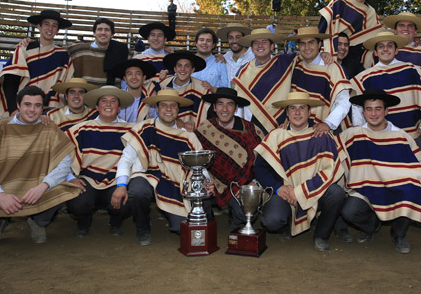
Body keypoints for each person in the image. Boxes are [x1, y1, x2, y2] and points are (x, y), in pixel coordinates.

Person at [0, 86, 81, 246]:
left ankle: (37, 222)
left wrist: (43, 186)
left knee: (64, 191)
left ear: (43, 108)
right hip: (3, 186)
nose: (32, 110)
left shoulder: (49, 128)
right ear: (18, 106)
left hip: (34, 185)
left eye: (37, 105)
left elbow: (63, 164)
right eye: (27, 104)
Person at [350, 30, 421, 238]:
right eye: (380, 47)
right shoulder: (365, 77)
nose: (385, 49)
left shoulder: (412, 71)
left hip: (411, 135)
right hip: (378, 138)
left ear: (396, 49)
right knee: (376, 179)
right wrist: (360, 132)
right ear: (375, 52)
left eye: (389, 46)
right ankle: (376, 219)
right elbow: (356, 107)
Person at [114, 89, 212, 245]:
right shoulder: (144, 128)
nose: (168, 109)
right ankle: (143, 228)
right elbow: (126, 159)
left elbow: (199, 166)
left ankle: (174, 215)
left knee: (181, 227)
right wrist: (121, 185)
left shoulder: (187, 135)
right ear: (157, 108)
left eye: (173, 105)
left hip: (175, 184)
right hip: (146, 176)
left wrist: (206, 181)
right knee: (138, 191)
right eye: (164, 105)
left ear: (178, 110)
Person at [253, 92, 345, 251]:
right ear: (286, 113)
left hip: (313, 191)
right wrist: (277, 188)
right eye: (292, 108)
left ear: (310, 112)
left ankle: (321, 235)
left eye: (302, 108)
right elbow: (259, 168)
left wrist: (301, 192)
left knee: (336, 193)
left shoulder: (321, 136)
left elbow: (330, 172)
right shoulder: (276, 136)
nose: (297, 112)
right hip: (284, 192)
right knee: (271, 221)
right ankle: (284, 226)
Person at [338, 89, 421, 253]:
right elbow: (331, 149)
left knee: (413, 189)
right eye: (369, 109)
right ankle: (371, 225)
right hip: (364, 189)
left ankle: (399, 234)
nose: (373, 114)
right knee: (349, 212)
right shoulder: (352, 135)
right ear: (363, 112)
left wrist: (407, 179)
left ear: (386, 111)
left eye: (378, 108)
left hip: (396, 188)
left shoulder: (401, 136)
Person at [382, 11, 421, 233]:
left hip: (416, 128)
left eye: (410, 26)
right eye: (401, 26)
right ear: (395, 31)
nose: (405, 29)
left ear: (416, 31)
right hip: (387, 129)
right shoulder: (379, 54)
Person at [65, 86, 135, 237]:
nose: (108, 104)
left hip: (116, 181)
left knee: (128, 199)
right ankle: (83, 222)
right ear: (97, 107)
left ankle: (116, 221)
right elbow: (63, 155)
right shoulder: (81, 129)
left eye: (113, 101)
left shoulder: (131, 131)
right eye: (104, 101)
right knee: (76, 201)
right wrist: (70, 178)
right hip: (88, 179)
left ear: (119, 107)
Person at [195, 88, 263, 230]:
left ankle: (237, 224)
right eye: (220, 104)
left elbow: (261, 163)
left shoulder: (251, 130)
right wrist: (205, 181)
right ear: (214, 107)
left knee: (245, 213)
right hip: (212, 184)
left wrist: (251, 183)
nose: (224, 109)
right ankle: (208, 225)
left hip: (242, 185)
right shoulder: (204, 129)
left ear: (236, 108)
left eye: (230, 104)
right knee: (196, 196)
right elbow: (197, 161)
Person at [0, 10, 75, 119]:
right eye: (46, 24)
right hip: (26, 107)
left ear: (57, 30)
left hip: (51, 111)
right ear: (39, 26)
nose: (50, 29)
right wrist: (13, 108)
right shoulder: (24, 49)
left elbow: (66, 84)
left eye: (54, 25)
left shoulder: (63, 55)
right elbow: (10, 81)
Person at [289, 26, 353, 135]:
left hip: (325, 129)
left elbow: (344, 101)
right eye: (302, 44)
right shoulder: (295, 65)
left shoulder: (333, 68)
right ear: (298, 46)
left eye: (311, 42)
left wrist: (328, 123)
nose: (307, 47)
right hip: (298, 127)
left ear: (319, 45)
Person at [232, 29, 294, 136]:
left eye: (264, 42)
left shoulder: (285, 63)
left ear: (272, 46)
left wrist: (323, 54)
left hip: (284, 121)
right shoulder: (243, 72)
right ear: (252, 48)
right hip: (255, 124)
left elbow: (308, 57)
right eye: (256, 43)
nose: (260, 45)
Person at [319, 0, 385, 64]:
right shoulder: (339, 3)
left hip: (352, 58)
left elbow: (374, 35)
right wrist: (320, 51)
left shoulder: (371, 12)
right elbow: (322, 27)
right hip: (328, 51)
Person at [69, 18, 131, 86]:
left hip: (113, 94)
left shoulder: (122, 51)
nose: (103, 33)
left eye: (107, 30)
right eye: (99, 29)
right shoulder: (80, 51)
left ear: (112, 34)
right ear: (94, 33)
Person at [159, 50, 210, 130]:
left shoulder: (202, 89)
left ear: (192, 69)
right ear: (175, 69)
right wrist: (175, 121)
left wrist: (195, 125)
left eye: (187, 66)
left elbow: (206, 117)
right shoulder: (162, 85)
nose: (182, 69)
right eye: (179, 66)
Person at [112, 59, 160, 124]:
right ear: (125, 79)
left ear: (143, 78)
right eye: (129, 74)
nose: (134, 77)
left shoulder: (151, 100)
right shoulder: (116, 99)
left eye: (138, 73)